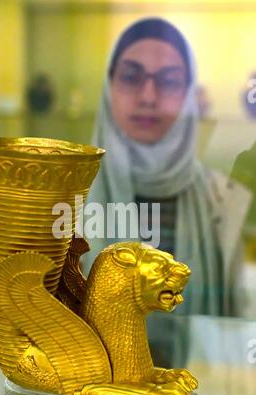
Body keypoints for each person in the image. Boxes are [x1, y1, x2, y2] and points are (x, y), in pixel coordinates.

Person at [83, 18, 250, 325]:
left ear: (188, 94)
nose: (148, 96)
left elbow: (236, 321)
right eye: (131, 77)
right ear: (109, 87)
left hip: (195, 371)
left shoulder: (222, 201)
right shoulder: (68, 196)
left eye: (169, 80)